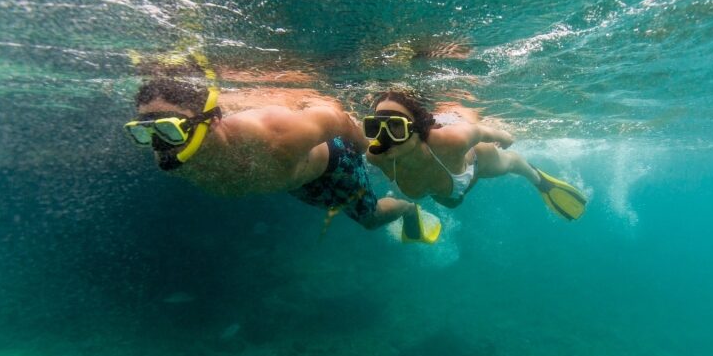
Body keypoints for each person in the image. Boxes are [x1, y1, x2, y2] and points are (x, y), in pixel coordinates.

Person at [123, 54, 436, 242]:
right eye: (145, 131)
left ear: (213, 121)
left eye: (168, 129)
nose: (159, 145)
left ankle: (409, 209)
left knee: (370, 220)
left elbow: (336, 118)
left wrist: (373, 154)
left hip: (334, 166)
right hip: (294, 181)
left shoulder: (276, 134)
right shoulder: (172, 157)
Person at [363, 91, 588, 223]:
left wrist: (504, 136)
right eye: (376, 127)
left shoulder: (452, 140)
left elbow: (479, 131)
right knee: (452, 204)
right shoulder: (376, 158)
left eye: (396, 126)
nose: (385, 138)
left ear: (418, 129)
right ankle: (411, 210)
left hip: (476, 163)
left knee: (510, 163)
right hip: (443, 187)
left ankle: (540, 180)